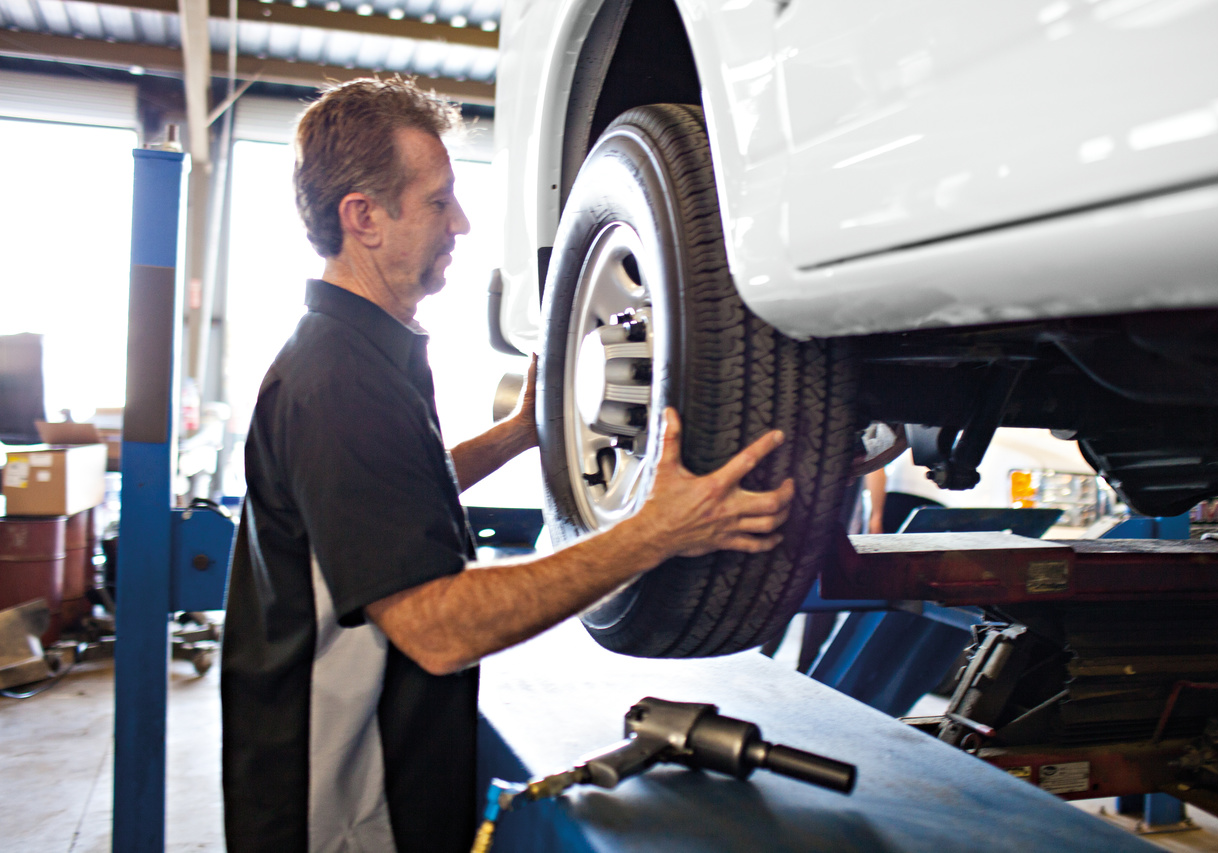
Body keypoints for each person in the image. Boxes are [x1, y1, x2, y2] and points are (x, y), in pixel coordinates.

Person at [220, 77, 795, 853]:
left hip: (378, 771)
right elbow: (438, 628)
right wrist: (652, 534)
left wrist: (516, 435)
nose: (459, 222)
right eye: (436, 201)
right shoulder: (340, 382)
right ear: (363, 217)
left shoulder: (359, 347)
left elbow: (384, 505)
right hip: (344, 806)